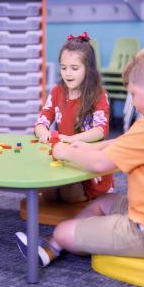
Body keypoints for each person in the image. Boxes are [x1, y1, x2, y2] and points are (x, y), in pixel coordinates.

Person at [16, 44, 144, 266]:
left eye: (133, 94)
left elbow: (100, 164)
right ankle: (54, 247)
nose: (133, 102)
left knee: (62, 231)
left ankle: (57, 241)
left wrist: (63, 150)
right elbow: (122, 143)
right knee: (104, 202)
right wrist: (88, 147)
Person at [34, 32, 113, 203]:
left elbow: (100, 130)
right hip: (63, 157)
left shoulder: (99, 95)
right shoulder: (57, 91)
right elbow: (41, 121)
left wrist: (71, 139)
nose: (68, 74)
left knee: (69, 194)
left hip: (87, 159)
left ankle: (89, 196)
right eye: (63, 68)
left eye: (74, 68)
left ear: (88, 69)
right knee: (48, 193)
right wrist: (42, 132)